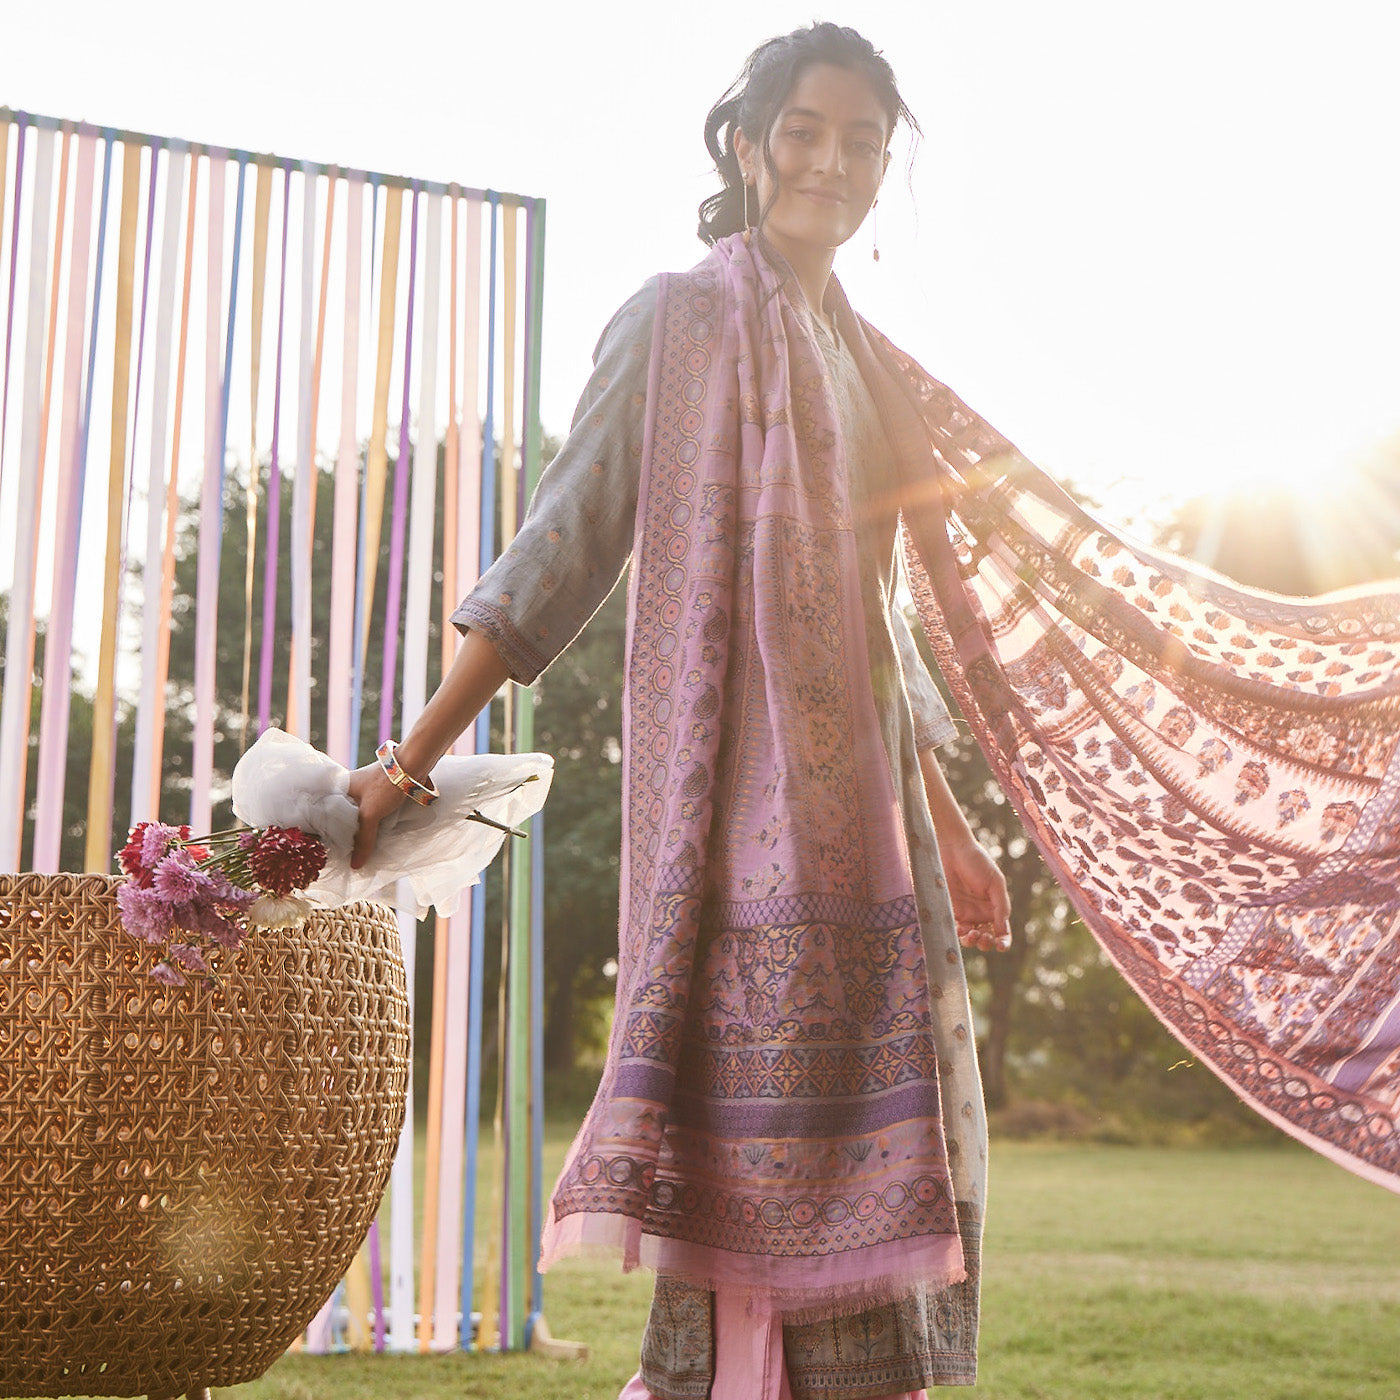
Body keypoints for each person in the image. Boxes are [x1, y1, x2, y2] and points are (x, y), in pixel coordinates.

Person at [351, 23, 1011, 1398]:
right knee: (745, 1204)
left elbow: (878, 617)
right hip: (734, 846)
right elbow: (557, 552)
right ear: (749, 143)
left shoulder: (862, 365)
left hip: (873, 860)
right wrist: (408, 762)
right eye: (811, 131)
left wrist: (943, 827)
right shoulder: (676, 321)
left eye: (864, 144)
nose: (835, 162)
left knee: (885, 1207)